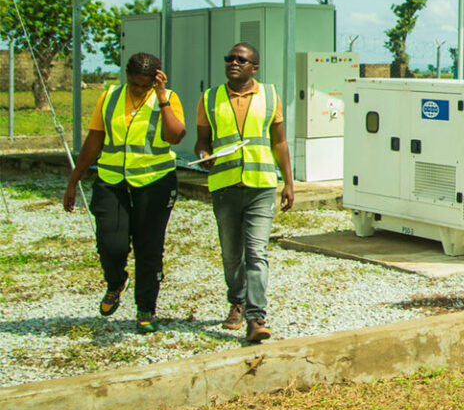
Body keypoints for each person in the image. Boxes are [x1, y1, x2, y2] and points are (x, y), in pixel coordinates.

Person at [62, 52, 186, 334]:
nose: (139, 89)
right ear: (126, 76)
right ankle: (116, 282)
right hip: (111, 179)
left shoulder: (167, 98)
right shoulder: (109, 97)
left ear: (157, 79)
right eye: (134, 83)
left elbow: (175, 135)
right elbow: (95, 138)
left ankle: (145, 307)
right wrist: (74, 180)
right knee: (111, 243)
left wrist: (162, 96)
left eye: (145, 85)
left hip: (154, 182)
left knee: (148, 247)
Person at [194, 43, 294, 344]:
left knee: (256, 253)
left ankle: (256, 317)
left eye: (241, 59)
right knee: (230, 254)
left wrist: (288, 183)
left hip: (260, 186)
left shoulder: (269, 95)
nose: (233, 63)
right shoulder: (210, 98)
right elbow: (202, 142)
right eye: (229, 58)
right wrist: (203, 153)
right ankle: (236, 301)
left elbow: (278, 142)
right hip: (225, 187)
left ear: (255, 67)